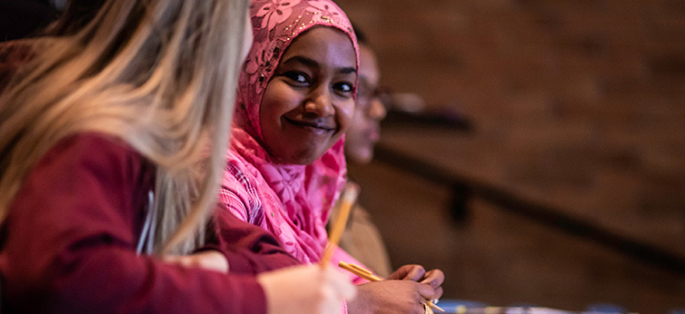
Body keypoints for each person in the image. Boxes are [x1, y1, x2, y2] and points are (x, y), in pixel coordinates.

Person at [0, 0, 355, 313]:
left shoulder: (144, 135)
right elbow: (67, 277)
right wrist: (261, 298)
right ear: (209, 32)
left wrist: (222, 266)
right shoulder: (100, 128)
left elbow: (227, 237)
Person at [218, 0, 444, 313]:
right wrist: (360, 303)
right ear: (248, 73)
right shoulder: (217, 179)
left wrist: (389, 292)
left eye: (342, 86)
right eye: (299, 77)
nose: (323, 105)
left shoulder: (299, 194)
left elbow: (331, 274)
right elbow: (222, 294)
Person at [332, 24, 393, 278]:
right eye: (359, 90)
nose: (378, 111)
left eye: (377, 93)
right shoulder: (295, 214)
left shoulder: (353, 210)